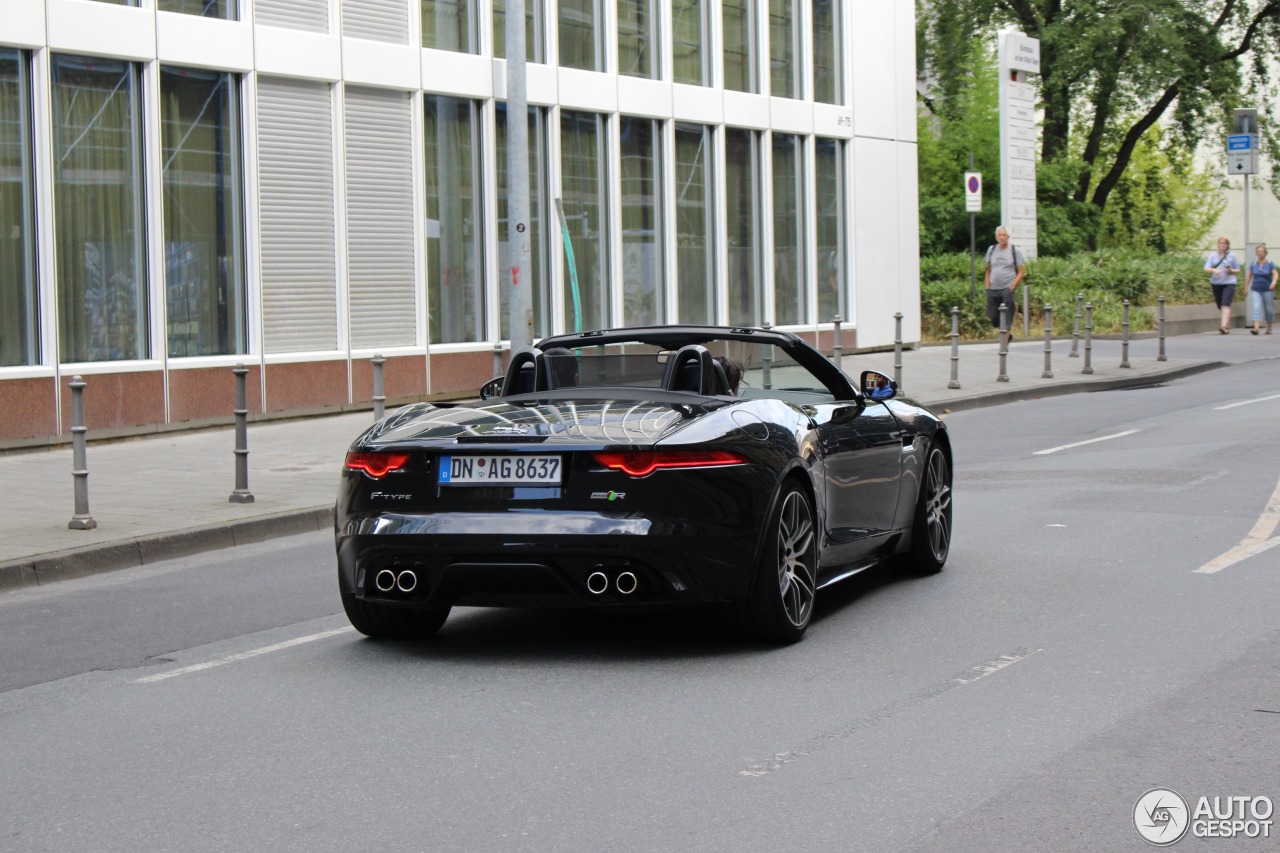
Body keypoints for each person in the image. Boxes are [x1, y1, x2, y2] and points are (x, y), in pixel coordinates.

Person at [983, 225, 1026, 348]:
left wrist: (1012, 286)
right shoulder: (991, 250)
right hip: (992, 288)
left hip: (1007, 288)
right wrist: (987, 287)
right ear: (996, 237)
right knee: (993, 316)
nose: (1002, 237)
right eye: (1000, 235)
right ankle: (1008, 335)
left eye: (1004, 235)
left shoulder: (1014, 251)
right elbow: (988, 270)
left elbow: (1021, 271)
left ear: (1008, 237)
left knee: (1006, 316)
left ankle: (1004, 344)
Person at [1204, 236, 1241, 334]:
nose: (1223, 245)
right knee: (1220, 305)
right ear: (1218, 245)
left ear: (1228, 245)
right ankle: (1226, 326)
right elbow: (1206, 268)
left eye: (1225, 243)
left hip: (1229, 282)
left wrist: (1231, 270)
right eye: (1221, 243)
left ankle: (1223, 326)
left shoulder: (1232, 256)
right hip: (1216, 283)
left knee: (1225, 304)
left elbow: (1238, 269)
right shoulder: (1213, 256)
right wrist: (1214, 270)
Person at [1245, 243, 1277, 335]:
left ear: (1265, 253)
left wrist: (1273, 282)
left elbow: (1275, 274)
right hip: (1256, 289)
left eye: (1261, 251)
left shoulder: (1270, 263)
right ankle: (1256, 328)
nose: (1260, 253)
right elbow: (1249, 276)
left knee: (1269, 309)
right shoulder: (1254, 264)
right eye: (1258, 251)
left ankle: (1269, 326)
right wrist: (1246, 288)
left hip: (1267, 289)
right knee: (1256, 307)